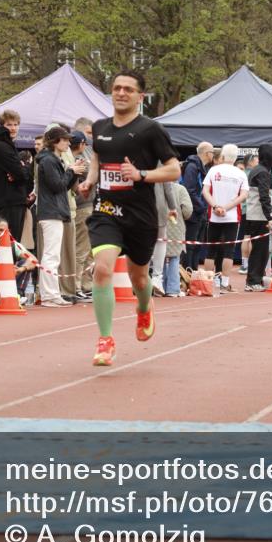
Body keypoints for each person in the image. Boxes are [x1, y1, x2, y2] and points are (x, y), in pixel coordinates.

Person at [78, 70, 180, 367]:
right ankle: (106, 339)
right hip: (107, 210)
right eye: (116, 88)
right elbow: (98, 158)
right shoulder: (99, 127)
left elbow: (173, 170)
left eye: (128, 89)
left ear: (140, 97)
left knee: (139, 277)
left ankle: (144, 307)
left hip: (141, 215)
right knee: (102, 270)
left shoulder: (151, 130)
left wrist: (141, 175)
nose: (121, 93)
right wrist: (90, 180)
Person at [35, 126, 86, 306]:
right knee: (51, 255)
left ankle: (52, 293)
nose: (67, 143)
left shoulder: (51, 159)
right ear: (55, 141)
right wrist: (71, 171)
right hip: (51, 211)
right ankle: (49, 295)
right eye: (64, 140)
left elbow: (62, 186)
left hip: (54, 210)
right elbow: (57, 186)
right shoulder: (49, 160)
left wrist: (72, 173)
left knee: (52, 255)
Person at [202, 143, 248, 293]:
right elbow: (244, 195)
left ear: (222, 156)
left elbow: (205, 191)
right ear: (235, 158)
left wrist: (215, 206)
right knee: (229, 250)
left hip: (214, 215)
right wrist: (227, 207)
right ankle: (225, 283)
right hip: (232, 216)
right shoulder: (241, 173)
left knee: (211, 250)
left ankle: (211, 281)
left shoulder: (213, 170)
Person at [0, 109, 30, 240]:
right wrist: (24, 167)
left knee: (11, 243)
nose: (13, 128)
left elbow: (20, 174)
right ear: (2, 125)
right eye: (9, 125)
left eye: (16, 124)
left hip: (10, 200)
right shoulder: (1, 146)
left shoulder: (7, 145)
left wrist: (21, 170)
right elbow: (22, 174)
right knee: (9, 243)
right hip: (8, 202)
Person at [243, 144, 272, 292]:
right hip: (259, 217)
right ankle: (253, 281)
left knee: (260, 249)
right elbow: (264, 196)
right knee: (260, 250)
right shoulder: (263, 172)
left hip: (255, 215)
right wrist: (270, 217)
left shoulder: (257, 170)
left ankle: (255, 279)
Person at [180, 141, 213, 270]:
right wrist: (202, 206)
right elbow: (189, 190)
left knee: (197, 244)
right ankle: (187, 271)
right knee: (190, 244)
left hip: (200, 211)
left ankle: (193, 271)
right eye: (212, 152)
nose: (213, 155)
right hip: (193, 212)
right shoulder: (192, 167)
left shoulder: (200, 167)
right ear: (206, 153)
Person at [70, 130, 94, 301]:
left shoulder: (72, 160)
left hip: (83, 207)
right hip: (82, 207)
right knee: (82, 249)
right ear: (82, 144)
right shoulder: (79, 162)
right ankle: (77, 286)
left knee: (88, 250)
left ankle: (85, 285)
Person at [164, 182, 193, 296]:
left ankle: (159, 286)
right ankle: (172, 288)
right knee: (174, 257)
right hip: (175, 226)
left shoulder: (154, 187)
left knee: (158, 258)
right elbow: (187, 210)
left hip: (157, 226)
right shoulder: (180, 189)